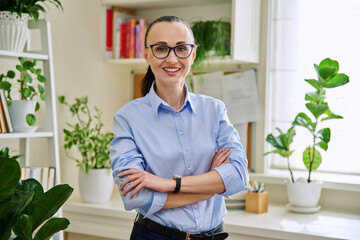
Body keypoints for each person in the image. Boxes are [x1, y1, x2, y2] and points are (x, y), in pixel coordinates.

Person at [110, 15, 249, 240]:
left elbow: (239, 176)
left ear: (193, 54)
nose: (172, 59)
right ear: (147, 54)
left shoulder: (215, 110)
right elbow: (135, 196)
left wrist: (167, 184)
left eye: (181, 48)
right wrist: (213, 183)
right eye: (161, 48)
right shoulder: (128, 118)